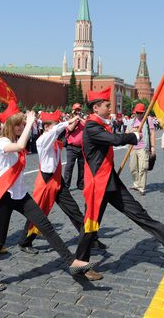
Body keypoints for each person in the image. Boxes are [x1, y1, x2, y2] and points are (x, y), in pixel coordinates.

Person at [75, 88, 164, 279]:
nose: (109, 107)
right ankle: (79, 265)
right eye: (107, 105)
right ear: (96, 108)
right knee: (90, 226)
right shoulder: (91, 126)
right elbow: (114, 140)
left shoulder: (99, 124)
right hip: (98, 185)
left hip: (110, 181)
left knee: (138, 212)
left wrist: (131, 135)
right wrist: (134, 136)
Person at [0, 101, 95, 291]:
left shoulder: (17, 140)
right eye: (18, 124)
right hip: (4, 196)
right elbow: (19, 146)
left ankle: (71, 261)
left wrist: (65, 124)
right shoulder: (2, 142)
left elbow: (41, 137)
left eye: (23, 124)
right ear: (10, 125)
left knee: (45, 226)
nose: (22, 127)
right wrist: (31, 122)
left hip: (20, 195)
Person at [17, 110, 105, 266]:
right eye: (54, 125)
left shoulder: (55, 141)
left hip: (58, 181)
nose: (57, 128)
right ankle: (25, 242)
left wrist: (75, 124)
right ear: (46, 127)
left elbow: (66, 135)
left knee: (74, 210)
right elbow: (57, 130)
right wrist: (68, 121)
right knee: (38, 214)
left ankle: (90, 238)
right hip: (45, 182)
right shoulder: (42, 140)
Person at [127, 103, 156, 195]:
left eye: (141, 112)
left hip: (143, 147)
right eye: (137, 112)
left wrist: (153, 147)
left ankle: (141, 187)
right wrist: (132, 130)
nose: (139, 114)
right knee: (133, 168)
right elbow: (126, 133)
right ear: (134, 112)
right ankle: (136, 183)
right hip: (132, 147)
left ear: (144, 112)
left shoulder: (148, 120)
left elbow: (152, 133)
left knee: (143, 167)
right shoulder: (131, 121)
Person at [63, 103, 85, 190]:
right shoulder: (69, 119)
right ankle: (66, 185)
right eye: (76, 110)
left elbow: (87, 125)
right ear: (73, 110)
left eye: (79, 110)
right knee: (69, 167)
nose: (78, 112)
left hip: (82, 147)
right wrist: (76, 120)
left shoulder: (83, 119)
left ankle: (80, 184)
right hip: (71, 147)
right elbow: (70, 128)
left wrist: (81, 119)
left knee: (82, 167)